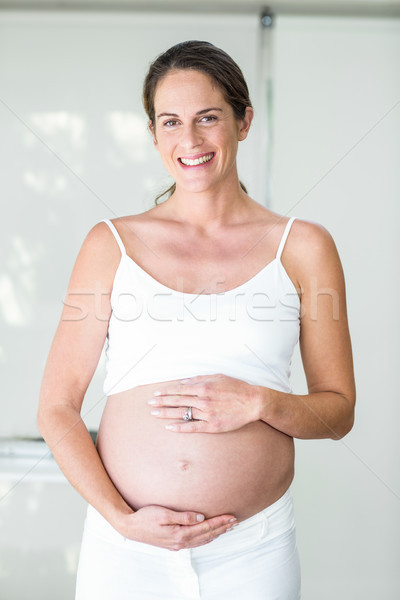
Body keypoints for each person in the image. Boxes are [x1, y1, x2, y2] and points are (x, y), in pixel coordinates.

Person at [37, 40, 356, 600]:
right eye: (171, 122)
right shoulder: (111, 244)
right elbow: (56, 408)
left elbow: (338, 412)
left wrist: (261, 403)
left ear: (244, 121)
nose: (190, 141)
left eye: (208, 118)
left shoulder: (303, 247)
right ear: (155, 133)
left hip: (253, 551)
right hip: (126, 551)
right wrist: (120, 519)